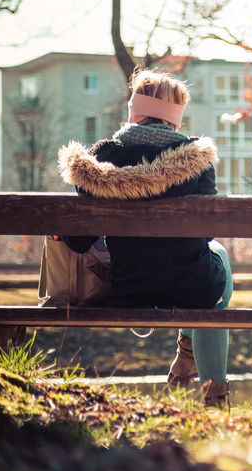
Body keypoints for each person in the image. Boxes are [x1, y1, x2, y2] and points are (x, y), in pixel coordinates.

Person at [57, 69, 233, 407]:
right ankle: (213, 393)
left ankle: (187, 351)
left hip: (130, 287)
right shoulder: (196, 158)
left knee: (209, 271)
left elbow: (79, 242)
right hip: (193, 286)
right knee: (217, 269)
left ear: (133, 110)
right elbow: (205, 231)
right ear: (175, 116)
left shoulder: (102, 157)